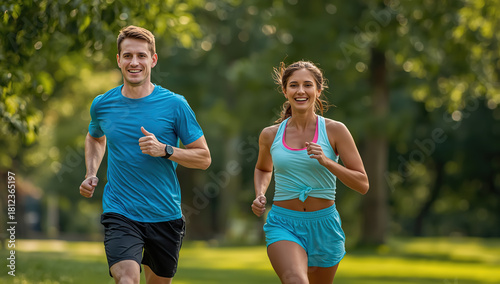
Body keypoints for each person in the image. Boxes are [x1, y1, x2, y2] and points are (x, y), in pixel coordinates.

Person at [79, 25, 211, 284]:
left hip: (165, 215)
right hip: (120, 211)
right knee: (127, 279)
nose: (134, 62)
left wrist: (166, 150)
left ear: (153, 59)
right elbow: (95, 136)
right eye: (127, 56)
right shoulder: (102, 104)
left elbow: (204, 157)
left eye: (141, 55)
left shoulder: (175, 105)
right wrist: (91, 172)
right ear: (118, 60)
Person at [251, 60, 369, 284]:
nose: (301, 91)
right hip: (284, 223)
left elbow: (362, 184)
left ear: (318, 90)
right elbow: (262, 168)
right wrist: (259, 193)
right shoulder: (269, 134)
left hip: (325, 225)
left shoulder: (335, 130)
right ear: (285, 91)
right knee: (296, 280)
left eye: (307, 85)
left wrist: (327, 162)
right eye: (294, 85)